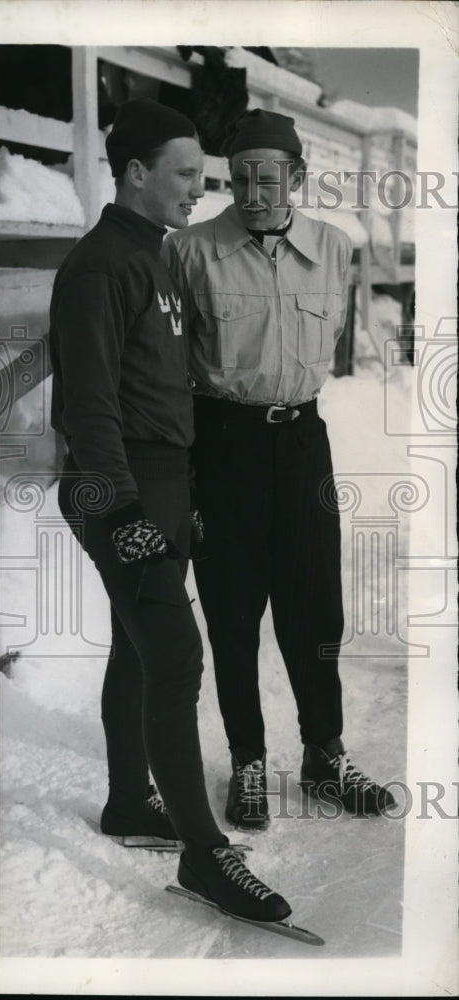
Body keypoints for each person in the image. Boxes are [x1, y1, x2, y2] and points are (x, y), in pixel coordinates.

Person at [49, 98, 291, 924]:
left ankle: (127, 800)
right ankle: (203, 854)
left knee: (139, 644)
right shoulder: (100, 266)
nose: (200, 189)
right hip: (113, 484)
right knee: (177, 653)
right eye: (186, 173)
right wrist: (123, 513)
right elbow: (87, 406)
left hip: (161, 480)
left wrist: (177, 496)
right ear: (137, 172)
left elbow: (158, 388)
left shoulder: (155, 258)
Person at [164, 108, 397, 829]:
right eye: (240, 179)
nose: (254, 192)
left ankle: (326, 759)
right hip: (224, 445)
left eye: (268, 178)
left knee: (316, 608)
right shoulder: (189, 252)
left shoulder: (334, 248)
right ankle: (249, 766)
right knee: (234, 615)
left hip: (302, 443)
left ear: (296, 177)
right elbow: (168, 366)